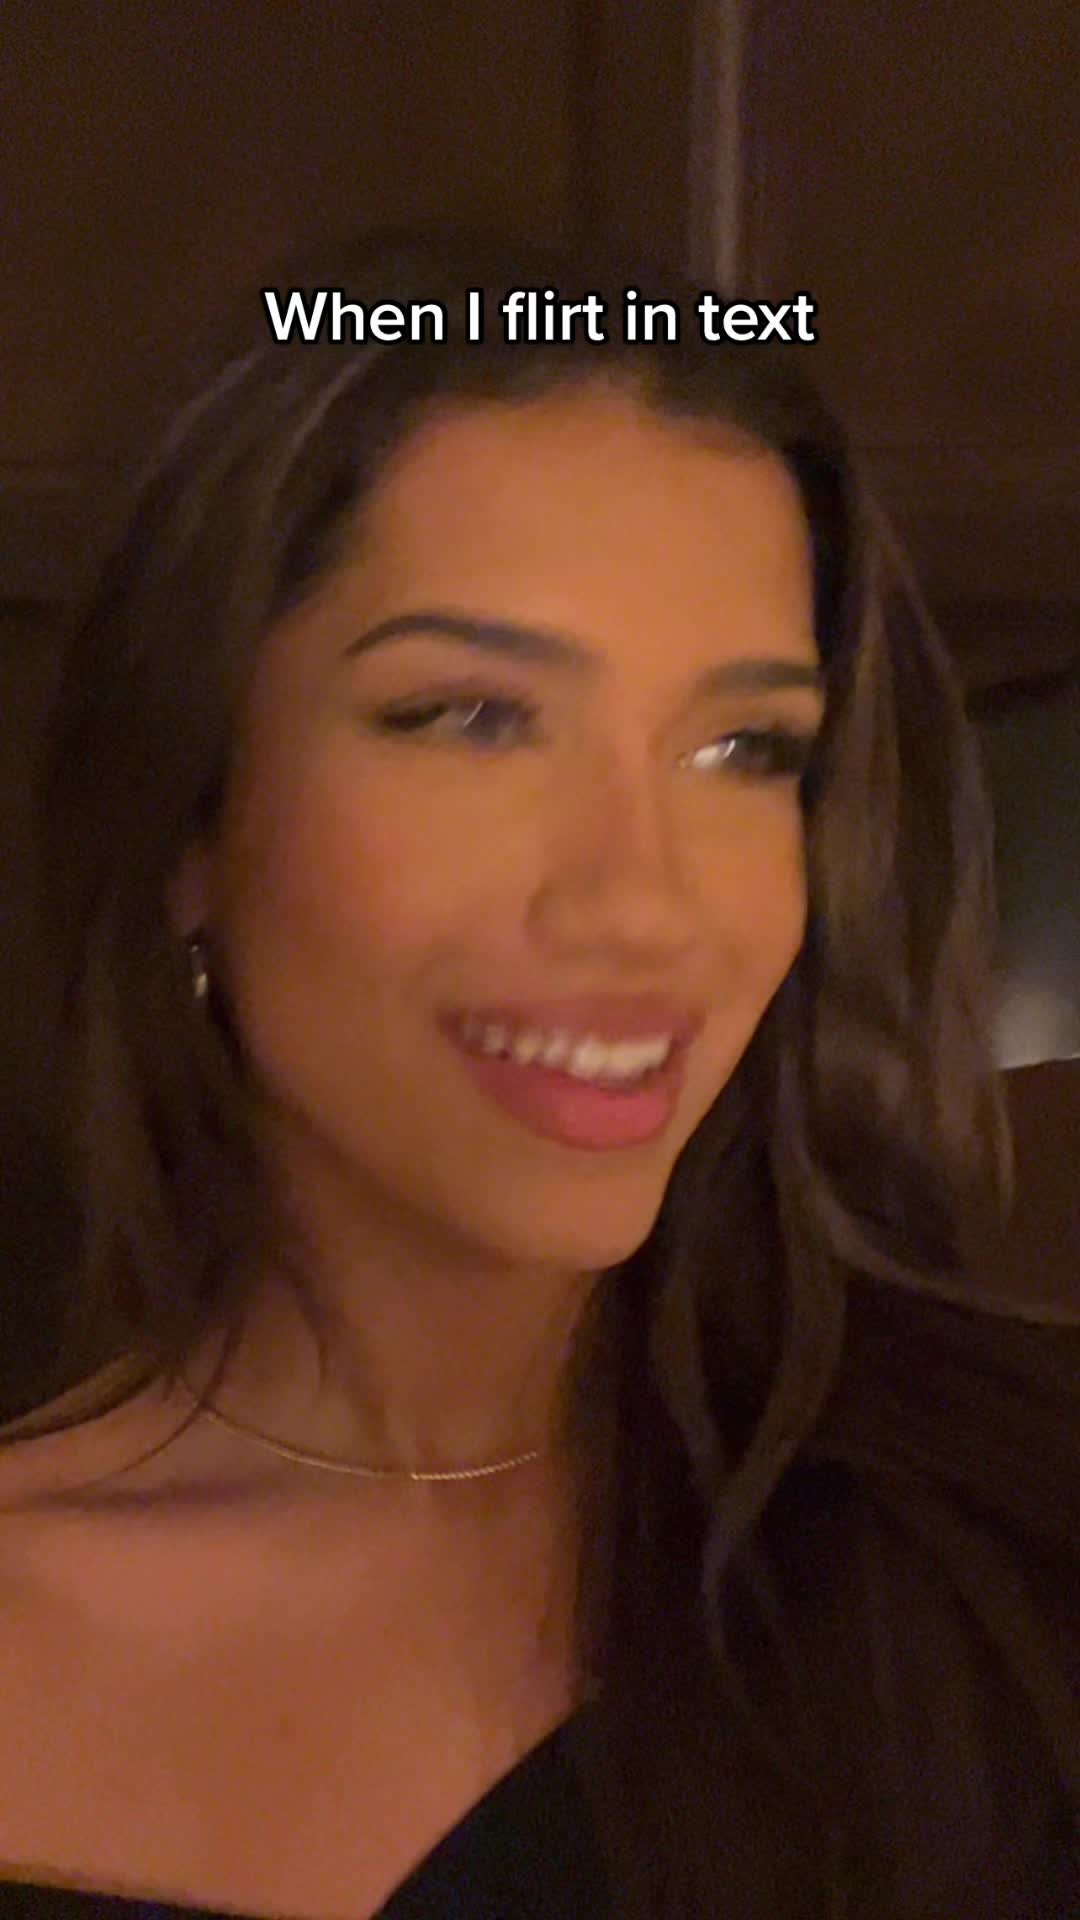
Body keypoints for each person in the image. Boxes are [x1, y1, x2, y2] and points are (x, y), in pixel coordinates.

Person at [0, 225, 1076, 1920]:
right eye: (471, 719)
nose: (644, 903)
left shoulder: (1012, 1564)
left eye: (745, 749)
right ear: (189, 815)